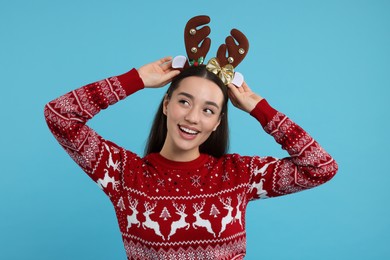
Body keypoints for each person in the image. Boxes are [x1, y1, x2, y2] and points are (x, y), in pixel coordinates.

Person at [44, 56, 338, 259]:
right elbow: (60, 116)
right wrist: (137, 79)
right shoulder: (124, 174)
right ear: (167, 105)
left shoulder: (238, 175)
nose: (193, 118)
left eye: (208, 110)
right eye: (184, 101)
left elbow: (321, 167)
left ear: (217, 123)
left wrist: (258, 107)